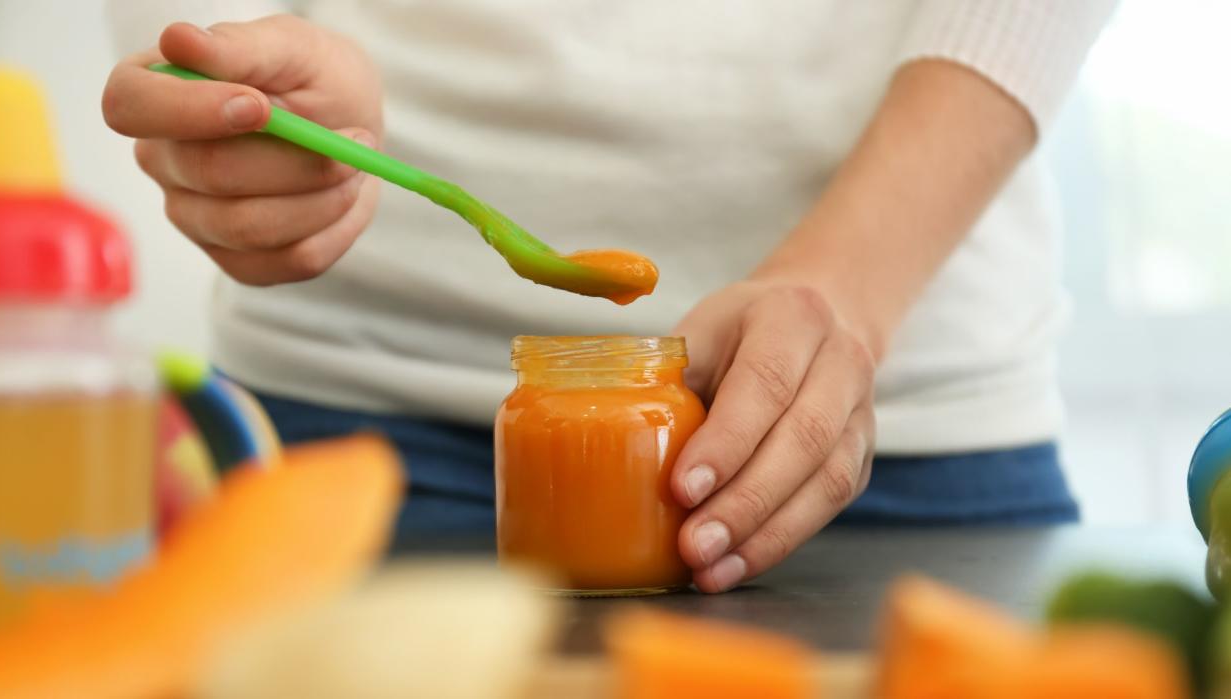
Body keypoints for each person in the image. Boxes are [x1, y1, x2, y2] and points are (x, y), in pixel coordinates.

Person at [103, 1, 1116, 593]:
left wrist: (848, 283)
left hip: (906, 431)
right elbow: (198, 52)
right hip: (355, 431)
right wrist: (242, 79)